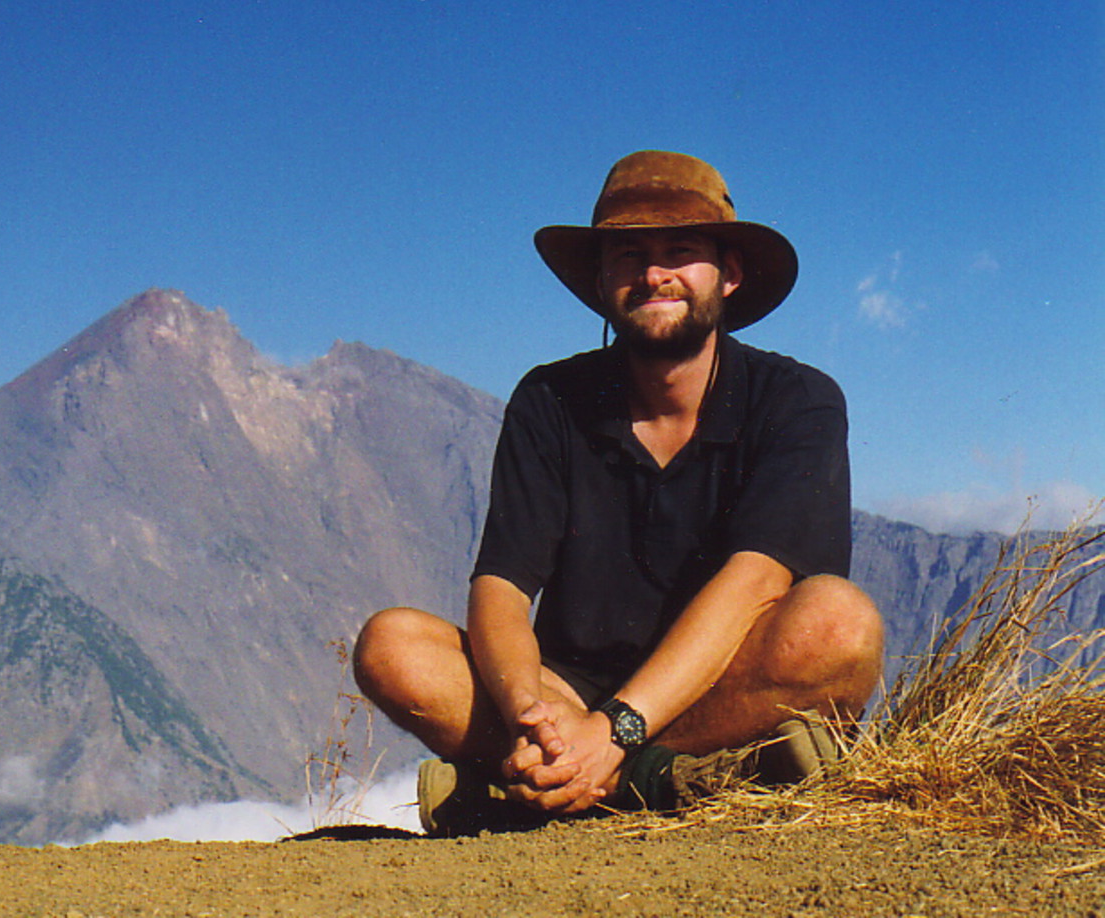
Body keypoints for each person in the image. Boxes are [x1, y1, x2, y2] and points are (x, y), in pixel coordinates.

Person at [353, 150, 885, 831]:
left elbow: (757, 580)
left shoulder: (797, 400)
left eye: (680, 250)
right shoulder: (550, 399)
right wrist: (533, 717)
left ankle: (555, 789)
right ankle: (670, 786)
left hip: (718, 684)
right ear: (602, 279)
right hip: (565, 696)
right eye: (629, 255)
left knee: (839, 625)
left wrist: (614, 732)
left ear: (730, 274)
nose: (654, 273)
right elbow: (503, 588)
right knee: (392, 646)